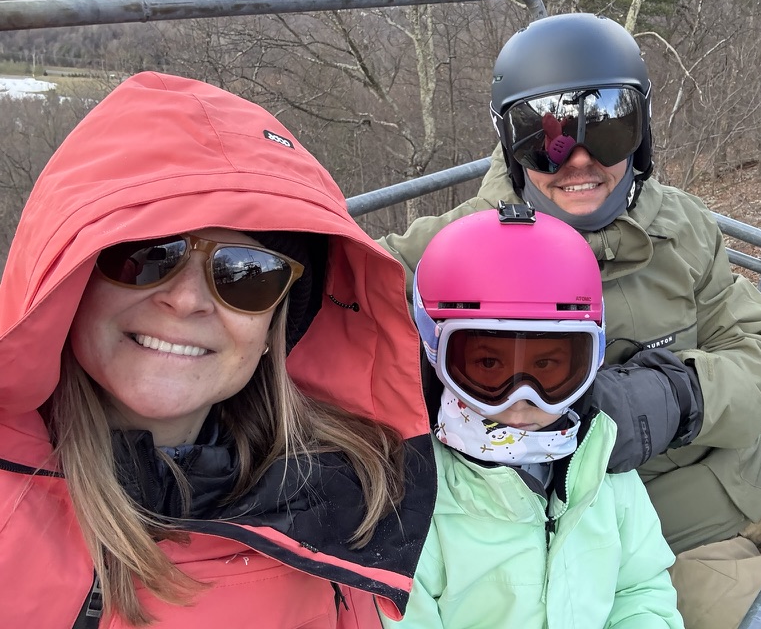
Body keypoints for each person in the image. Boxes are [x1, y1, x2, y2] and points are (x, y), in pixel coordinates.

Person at [379, 13, 761, 628]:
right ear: (512, 143)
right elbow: (348, 307)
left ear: (641, 134)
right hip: (650, 528)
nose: (581, 162)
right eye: (551, 140)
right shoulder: (449, 254)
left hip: (755, 471)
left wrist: (680, 395)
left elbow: (757, 348)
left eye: (611, 131)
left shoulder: (680, 227)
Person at [0, 72, 435, 628]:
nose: (186, 300)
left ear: (274, 328)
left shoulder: (341, 506)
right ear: (74, 279)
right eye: (150, 254)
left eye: (245, 275)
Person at [380, 204, 682, 629]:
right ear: (435, 355)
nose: (522, 400)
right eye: (489, 366)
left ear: (590, 360)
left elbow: (639, 589)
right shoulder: (411, 495)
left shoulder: (602, 469)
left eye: (548, 368)